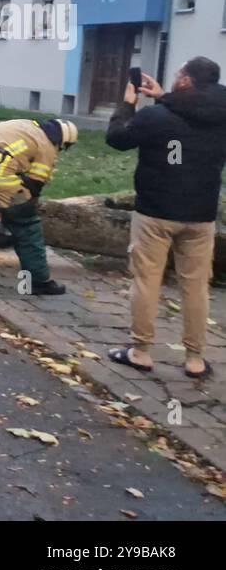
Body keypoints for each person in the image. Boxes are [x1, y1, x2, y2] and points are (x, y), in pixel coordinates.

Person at [105, 57, 226, 379]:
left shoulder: (154, 117)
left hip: (155, 213)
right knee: (197, 286)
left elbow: (117, 139)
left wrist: (129, 104)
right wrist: (162, 97)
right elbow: (192, 116)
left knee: (147, 281)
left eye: (178, 75)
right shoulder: (221, 117)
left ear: (185, 81)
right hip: (201, 216)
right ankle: (195, 359)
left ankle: (141, 351)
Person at [0, 118, 79, 295]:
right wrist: (24, 204)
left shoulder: (23, 125)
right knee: (27, 227)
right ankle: (37, 281)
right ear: (64, 140)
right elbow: (36, 182)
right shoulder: (47, 145)